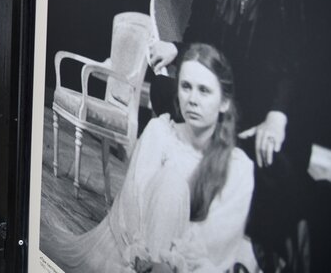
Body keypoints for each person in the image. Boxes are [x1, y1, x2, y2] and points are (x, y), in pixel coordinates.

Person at [149, 0, 313, 271]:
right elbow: (196, 36)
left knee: (278, 166)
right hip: (218, 99)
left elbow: (294, 61)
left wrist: (277, 115)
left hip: (261, 106)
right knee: (162, 91)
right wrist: (174, 47)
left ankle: (250, 249)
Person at [56, 44, 255, 273]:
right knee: (171, 182)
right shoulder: (159, 133)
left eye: (204, 90)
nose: (192, 99)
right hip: (140, 255)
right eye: (186, 87)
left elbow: (215, 241)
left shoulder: (238, 167)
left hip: (193, 268)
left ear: (224, 102)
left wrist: (174, 262)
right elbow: (133, 207)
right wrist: (150, 259)